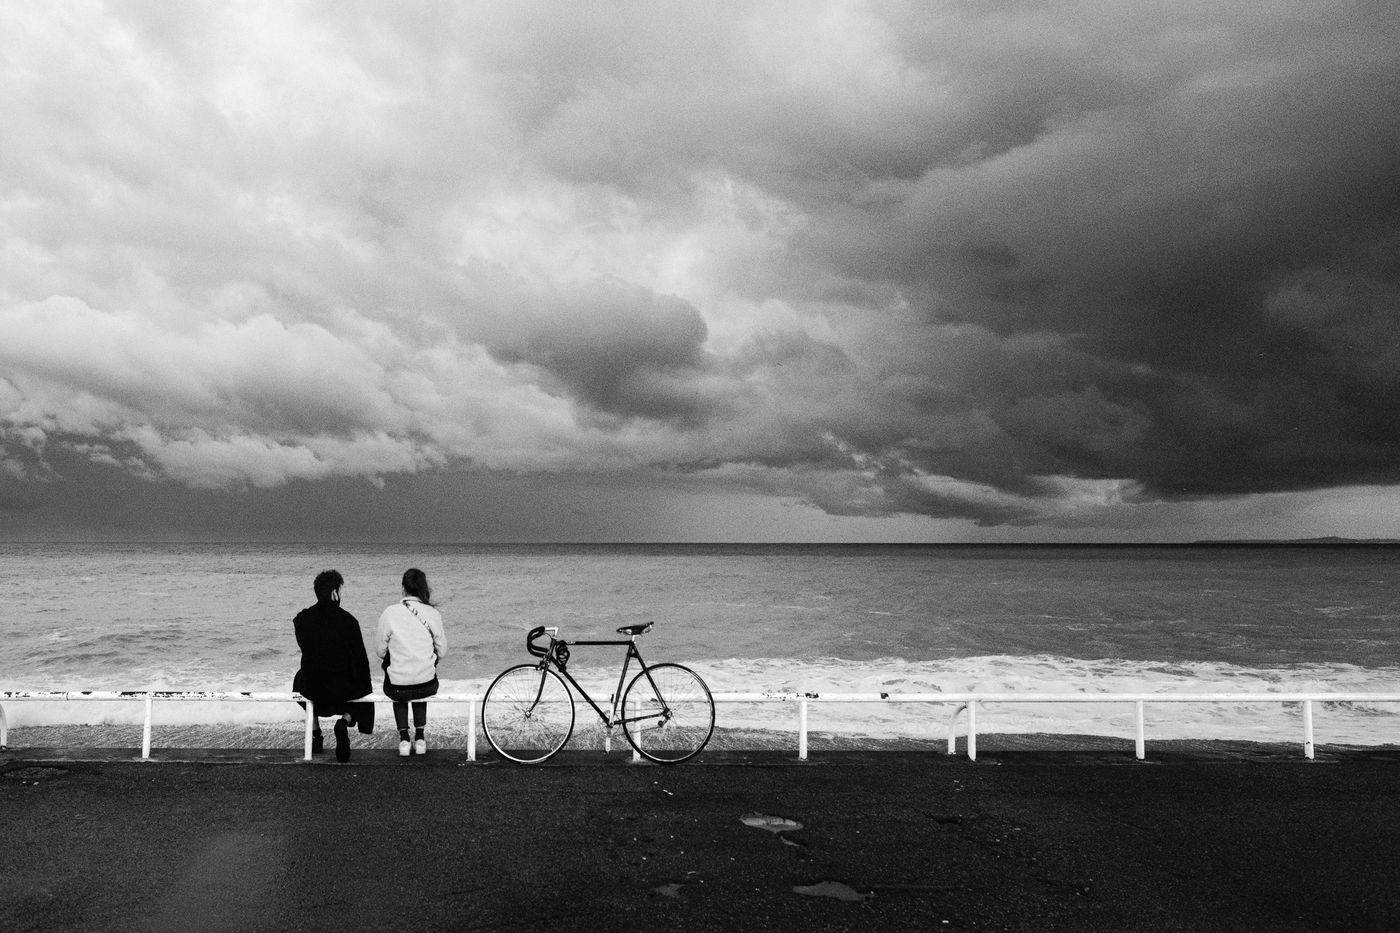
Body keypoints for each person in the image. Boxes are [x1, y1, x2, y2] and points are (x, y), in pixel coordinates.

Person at [293, 569, 375, 763]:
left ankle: (316, 735)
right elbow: (361, 660)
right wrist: (367, 689)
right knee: (362, 687)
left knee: (299, 679)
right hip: (342, 689)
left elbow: (309, 649)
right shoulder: (349, 621)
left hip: (314, 688)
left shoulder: (302, 620)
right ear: (334, 593)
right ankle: (344, 721)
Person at [376, 568, 447, 757]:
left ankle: (404, 740)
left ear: (403, 588)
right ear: (424, 588)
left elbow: (380, 651)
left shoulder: (389, 613)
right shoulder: (433, 613)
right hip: (427, 685)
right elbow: (442, 651)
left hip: (397, 687)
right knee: (421, 676)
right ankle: (420, 738)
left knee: (398, 682)